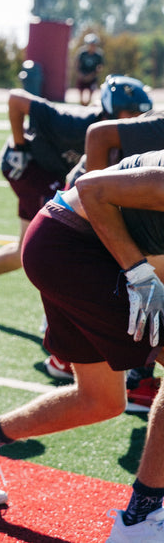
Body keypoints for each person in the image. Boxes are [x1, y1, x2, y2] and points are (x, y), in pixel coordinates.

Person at [0, 154, 164, 541]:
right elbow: (92, 189)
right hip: (72, 244)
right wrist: (139, 273)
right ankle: (142, 518)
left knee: (101, 400)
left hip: (71, 243)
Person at [0, 77, 151, 321]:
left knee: (26, 248)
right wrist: (21, 147)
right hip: (29, 166)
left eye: (139, 115)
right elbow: (16, 99)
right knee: (60, 238)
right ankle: (57, 318)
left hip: (53, 173)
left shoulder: (124, 136)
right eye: (129, 113)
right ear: (110, 110)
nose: (134, 121)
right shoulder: (71, 123)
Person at [59, 75, 160, 404]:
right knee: (142, 277)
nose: (131, 117)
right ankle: (135, 374)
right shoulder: (149, 127)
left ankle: (77, 350)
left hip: (117, 207)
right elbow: (99, 138)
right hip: (92, 210)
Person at [75, 32, 105, 107]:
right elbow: (77, 64)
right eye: (90, 44)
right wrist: (80, 74)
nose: (92, 46)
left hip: (92, 76)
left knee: (92, 89)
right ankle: (81, 103)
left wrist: (92, 75)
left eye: (94, 44)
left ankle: (88, 103)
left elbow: (100, 67)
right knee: (81, 89)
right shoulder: (82, 53)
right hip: (82, 75)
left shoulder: (98, 55)